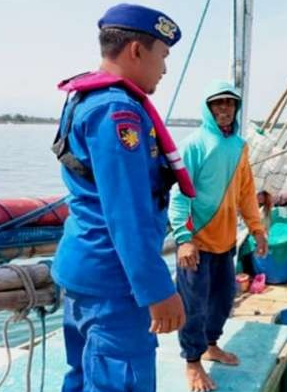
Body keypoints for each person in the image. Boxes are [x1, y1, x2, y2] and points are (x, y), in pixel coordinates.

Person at [51, 4, 191, 392]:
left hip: (86, 271)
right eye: (162, 55)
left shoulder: (86, 98)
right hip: (115, 284)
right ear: (135, 51)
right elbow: (127, 214)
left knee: (82, 377)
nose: (164, 69)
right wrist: (158, 291)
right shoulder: (117, 111)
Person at [168, 80, 268, 392]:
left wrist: (256, 229)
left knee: (224, 300)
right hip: (195, 242)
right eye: (218, 104)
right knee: (193, 304)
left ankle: (211, 344)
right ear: (208, 108)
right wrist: (183, 238)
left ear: (236, 108)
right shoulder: (194, 144)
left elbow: (246, 193)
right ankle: (192, 361)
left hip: (226, 242)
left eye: (230, 103)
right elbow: (179, 194)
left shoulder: (239, 146)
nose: (225, 109)